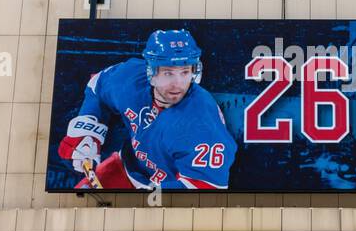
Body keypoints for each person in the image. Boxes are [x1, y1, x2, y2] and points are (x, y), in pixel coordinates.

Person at [58, 28, 238, 191]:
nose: (178, 83)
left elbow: (205, 187)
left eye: (184, 72)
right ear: (151, 72)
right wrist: (89, 130)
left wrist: (150, 199)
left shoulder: (202, 124)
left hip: (169, 187)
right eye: (168, 72)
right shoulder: (129, 79)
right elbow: (97, 86)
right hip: (127, 167)